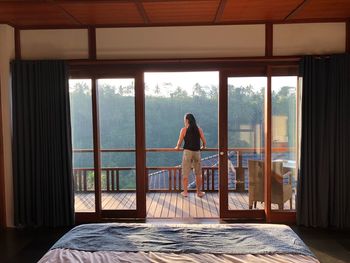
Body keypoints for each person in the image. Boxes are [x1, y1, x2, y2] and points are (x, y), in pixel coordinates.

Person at [175, 113, 206, 198]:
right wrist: (203, 146)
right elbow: (204, 141)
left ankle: (185, 192)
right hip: (197, 152)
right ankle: (199, 192)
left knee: (185, 172)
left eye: (185, 120)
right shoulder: (199, 129)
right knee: (198, 173)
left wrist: (177, 147)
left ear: (187, 120)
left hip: (187, 152)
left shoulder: (184, 130)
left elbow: (180, 142)